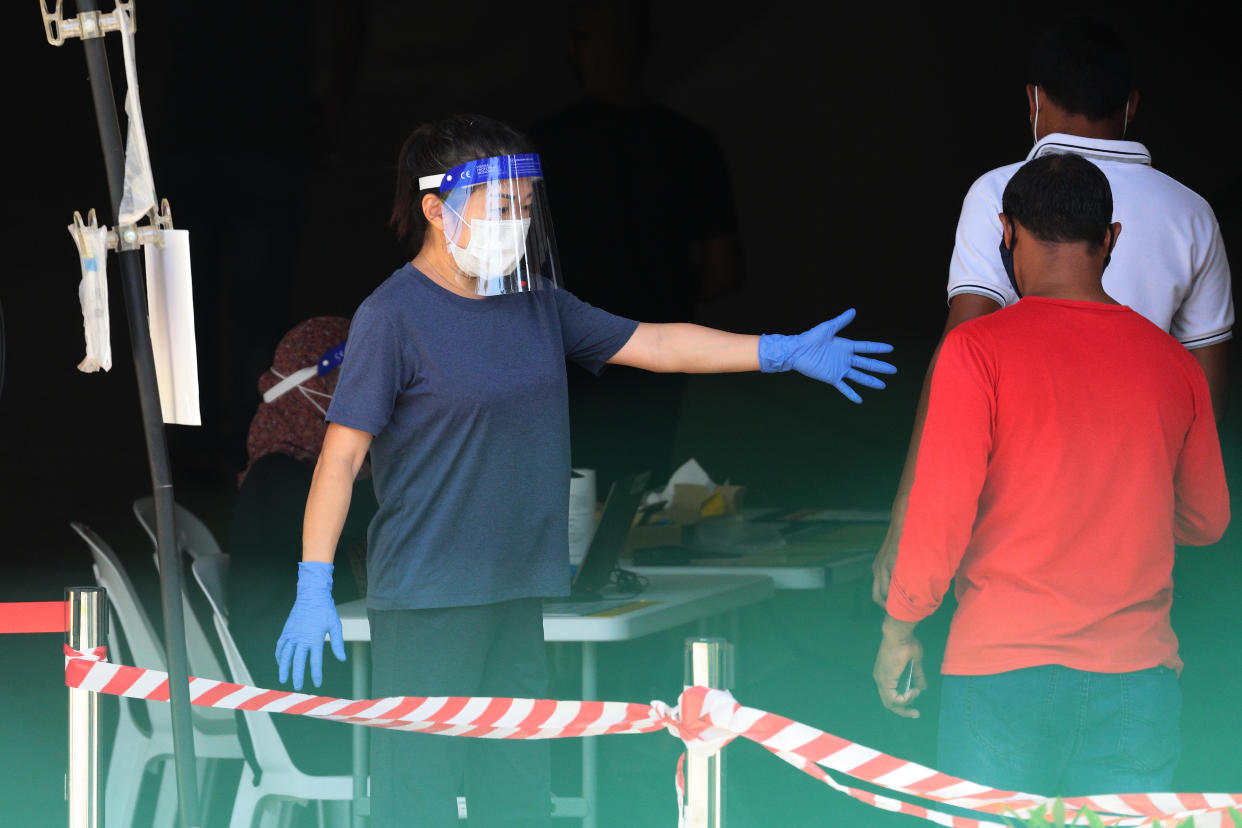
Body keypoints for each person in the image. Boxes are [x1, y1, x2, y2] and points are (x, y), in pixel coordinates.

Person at [271, 113, 895, 827]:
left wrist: (776, 351)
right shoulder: (393, 316)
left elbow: (656, 343)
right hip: (429, 599)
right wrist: (314, 582)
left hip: (520, 587)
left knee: (520, 796)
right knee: (419, 802)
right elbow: (341, 457)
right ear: (435, 211)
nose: (518, 223)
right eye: (501, 207)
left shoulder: (537, 304)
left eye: (527, 208)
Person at [872, 153, 1229, 798]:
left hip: (1000, 675)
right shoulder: (1174, 365)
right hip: (1137, 678)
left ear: (1006, 234)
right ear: (1112, 239)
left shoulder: (976, 352)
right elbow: (1207, 522)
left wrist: (900, 628)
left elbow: (940, 513)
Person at [871, 16, 1234, 607]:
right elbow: (1208, 405)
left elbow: (957, 362)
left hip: (1015, 550)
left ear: (1034, 101)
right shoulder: (1192, 213)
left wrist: (905, 522)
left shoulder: (1000, 192)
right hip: (1139, 555)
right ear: (1132, 104)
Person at [529, 0, 746, 491]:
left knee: (560, 505)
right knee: (633, 503)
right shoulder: (689, 144)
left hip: (560, 359)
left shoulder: (538, 148)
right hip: (656, 358)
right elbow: (724, 270)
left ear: (575, 47)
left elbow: (500, 269)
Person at [229, 316, 377, 776]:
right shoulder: (282, 479)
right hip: (305, 721)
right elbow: (397, 509)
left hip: (326, 697)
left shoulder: (288, 469)